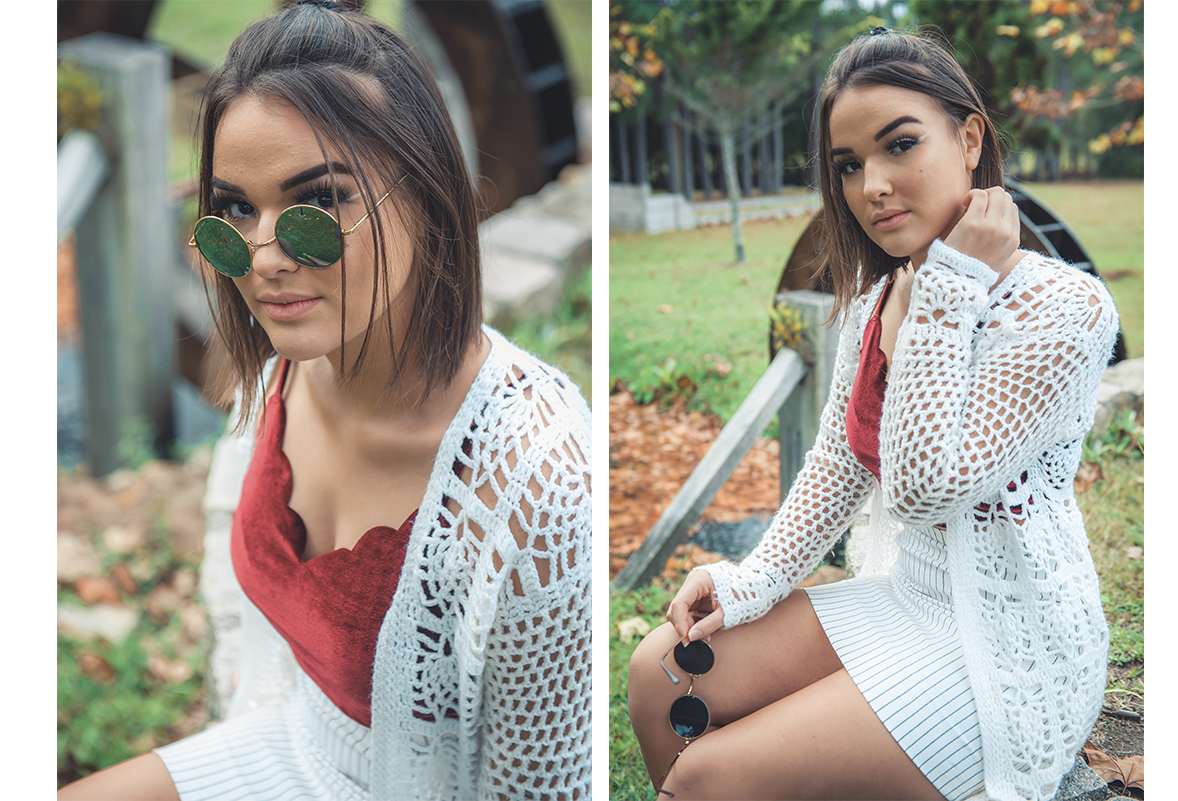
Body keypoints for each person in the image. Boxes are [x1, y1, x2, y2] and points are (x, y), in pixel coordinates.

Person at [58, 2, 592, 799]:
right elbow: (248, 640)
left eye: (320, 202)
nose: (265, 257)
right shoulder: (284, 371)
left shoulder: (535, 479)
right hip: (282, 741)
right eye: (233, 210)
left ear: (425, 188)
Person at [627, 27, 1118, 801]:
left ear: (969, 136)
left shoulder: (1064, 308)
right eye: (849, 166)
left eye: (900, 146)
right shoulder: (877, 302)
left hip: (999, 656)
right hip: (902, 599)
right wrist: (747, 583)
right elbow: (836, 463)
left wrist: (951, 285)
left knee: (709, 777)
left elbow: (928, 486)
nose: (873, 186)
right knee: (659, 673)